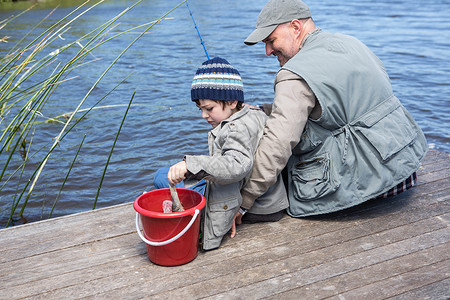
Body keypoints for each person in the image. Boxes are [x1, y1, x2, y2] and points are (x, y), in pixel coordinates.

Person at [232, 0, 428, 234]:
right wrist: (265, 109)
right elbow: (342, 102)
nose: (267, 51)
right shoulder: (352, 43)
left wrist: (243, 202)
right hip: (403, 169)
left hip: (369, 188)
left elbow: (277, 145)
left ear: (295, 27)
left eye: (271, 40)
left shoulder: (292, 75)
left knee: (270, 161)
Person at [154, 57, 288, 251]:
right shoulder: (252, 114)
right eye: (200, 109)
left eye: (209, 109)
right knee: (166, 175)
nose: (203, 115)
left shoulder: (236, 129)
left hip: (256, 207)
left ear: (233, 102)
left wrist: (190, 165)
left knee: (161, 177)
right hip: (269, 200)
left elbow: (235, 165)